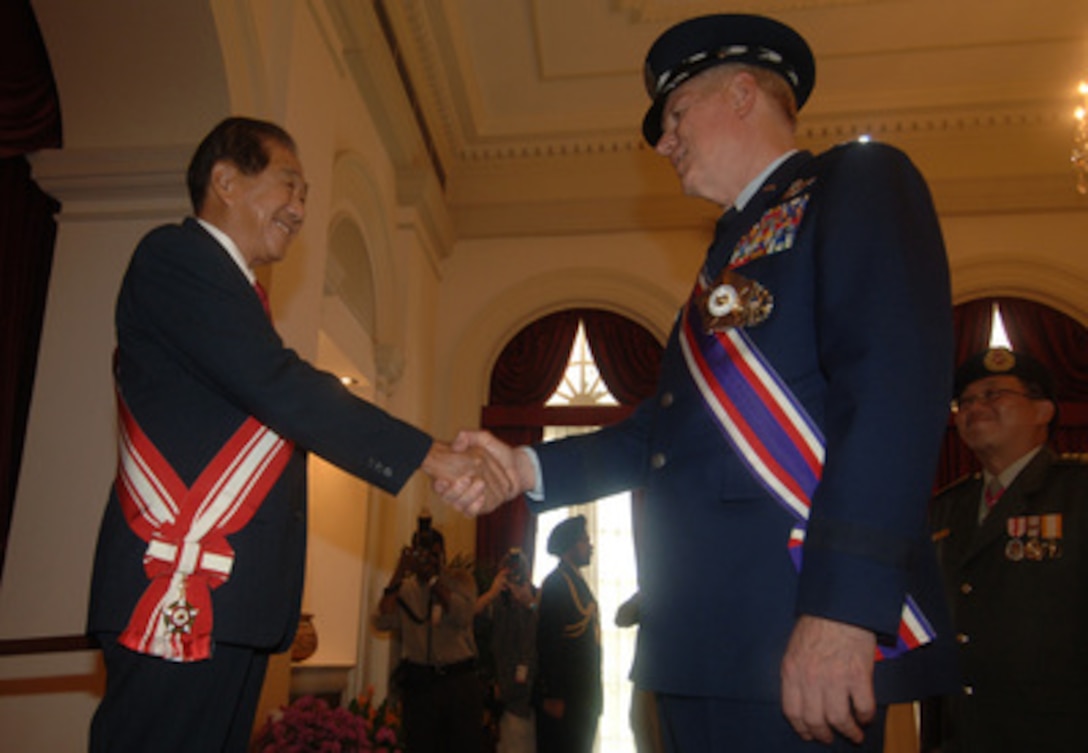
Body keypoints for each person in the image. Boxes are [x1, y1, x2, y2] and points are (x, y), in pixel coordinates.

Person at [444, 13, 959, 752]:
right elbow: (665, 432)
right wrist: (522, 465)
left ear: (743, 93)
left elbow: (891, 395)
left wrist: (844, 612)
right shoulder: (725, 260)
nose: (662, 141)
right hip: (700, 646)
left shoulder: (855, 183)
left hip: (792, 634)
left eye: (676, 113)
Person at [85, 117, 509, 753]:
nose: (301, 208)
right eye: (290, 185)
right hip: (176, 585)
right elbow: (275, 383)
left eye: (307, 195)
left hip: (228, 600)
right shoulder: (176, 257)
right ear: (225, 181)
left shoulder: (235, 293)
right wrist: (429, 454)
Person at [925, 347, 1088, 753]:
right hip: (960, 733)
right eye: (965, 401)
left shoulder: (1079, 492)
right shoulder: (945, 507)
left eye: (995, 394)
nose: (975, 407)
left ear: (1043, 411)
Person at [375, 514, 484, 753]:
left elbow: (463, 615)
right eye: (423, 555)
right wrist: (400, 571)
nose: (429, 560)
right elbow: (382, 620)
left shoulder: (460, 580)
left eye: (434, 555)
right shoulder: (406, 589)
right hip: (420, 685)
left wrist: (434, 581)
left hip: (458, 682)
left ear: (443, 554)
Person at [533, 515, 601, 753]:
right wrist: (553, 694)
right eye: (584, 541)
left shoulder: (573, 580)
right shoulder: (557, 584)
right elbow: (548, 643)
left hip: (582, 697)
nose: (590, 546)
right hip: (566, 698)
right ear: (570, 545)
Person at [475, 547, 539, 753]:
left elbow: (549, 632)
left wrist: (529, 603)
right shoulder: (497, 604)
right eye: (509, 571)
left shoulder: (538, 599)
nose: (515, 577)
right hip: (501, 702)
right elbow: (468, 620)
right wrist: (493, 593)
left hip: (530, 703)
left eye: (518, 571)